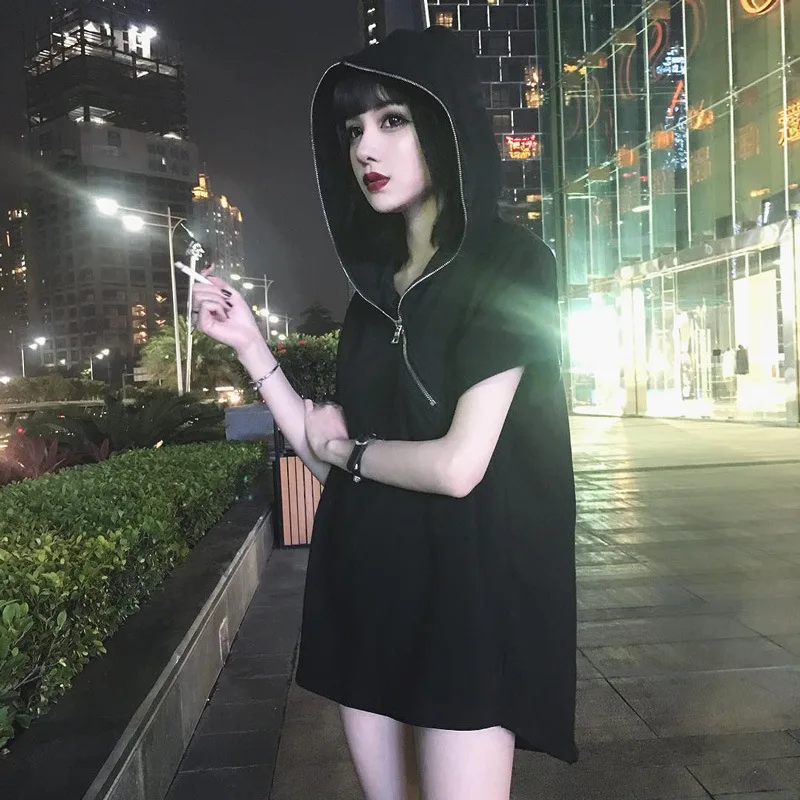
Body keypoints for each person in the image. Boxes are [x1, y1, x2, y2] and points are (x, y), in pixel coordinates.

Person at [192, 26, 577, 800]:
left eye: (392, 119)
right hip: (370, 587)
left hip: (466, 603)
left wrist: (347, 452)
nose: (365, 147)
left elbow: (458, 465)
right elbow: (327, 456)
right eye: (352, 129)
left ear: (445, 124)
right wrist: (251, 347)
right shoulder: (371, 297)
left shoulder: (511, 264)